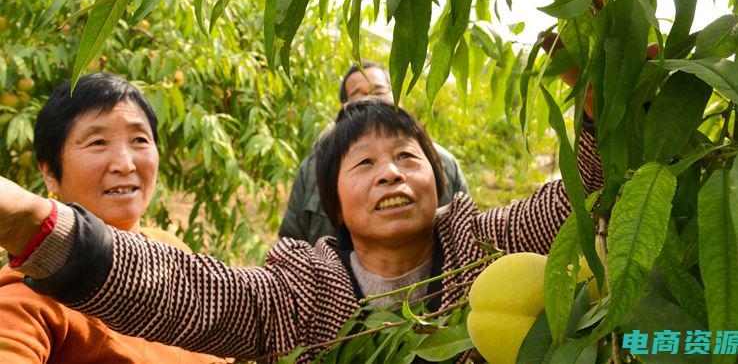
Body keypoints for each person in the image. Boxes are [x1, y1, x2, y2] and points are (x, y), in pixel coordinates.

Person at [0, 97, 603, 362]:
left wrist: (612, 109)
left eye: (408, 158)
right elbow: (198, 295)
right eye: (363, 164)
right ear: (334, 205)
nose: (390, 174)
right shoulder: (306, 293)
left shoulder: (486, 245)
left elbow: (579, 200)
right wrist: (43, 227)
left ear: (439, 182)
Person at [0, 73, 219, 364]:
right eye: (98, 142)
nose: (125, 164)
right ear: (50, 173)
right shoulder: (30, 293)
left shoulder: (171, 249)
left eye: (140, 139)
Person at [279, 61, 469, 243]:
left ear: (398, 97)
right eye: (358, 95)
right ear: (344, 108)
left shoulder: (444, 162)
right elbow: (292, 238)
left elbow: (465, 231)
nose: (370, 99)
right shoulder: (313, 168)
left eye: (378, 91)